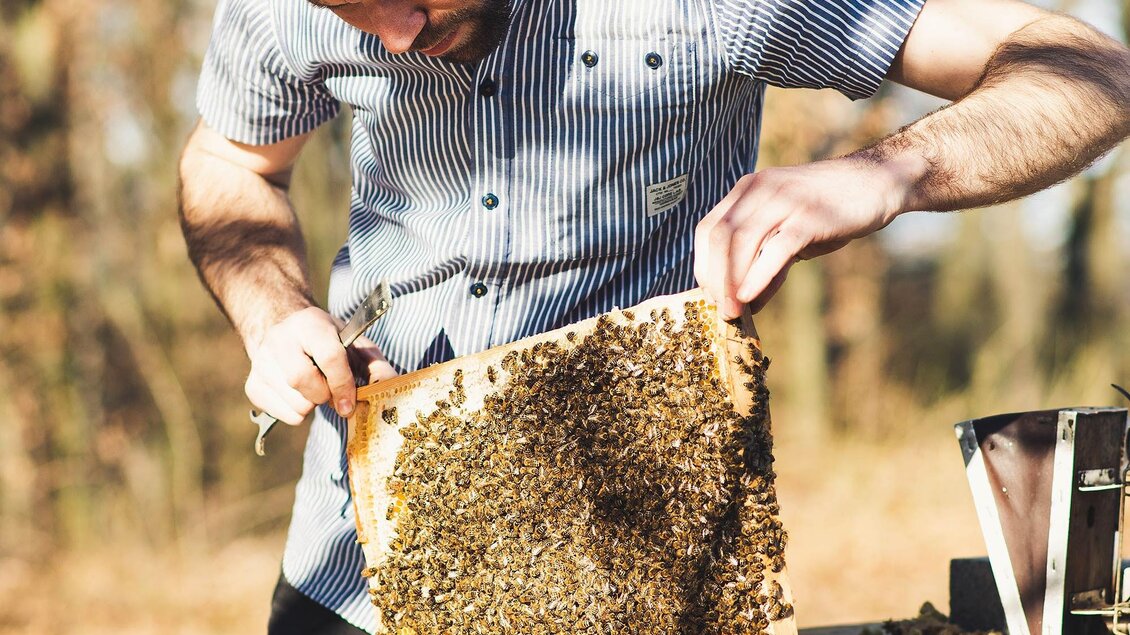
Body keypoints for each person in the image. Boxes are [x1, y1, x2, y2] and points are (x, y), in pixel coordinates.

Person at [177, 0, 1130, 631]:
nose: (392, 35)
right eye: (351, 9)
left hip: (644, 572)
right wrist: (274, 312)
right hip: (352, 573)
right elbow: (230, 163)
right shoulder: (280, 9)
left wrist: (884, 174)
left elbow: (1091, 68)